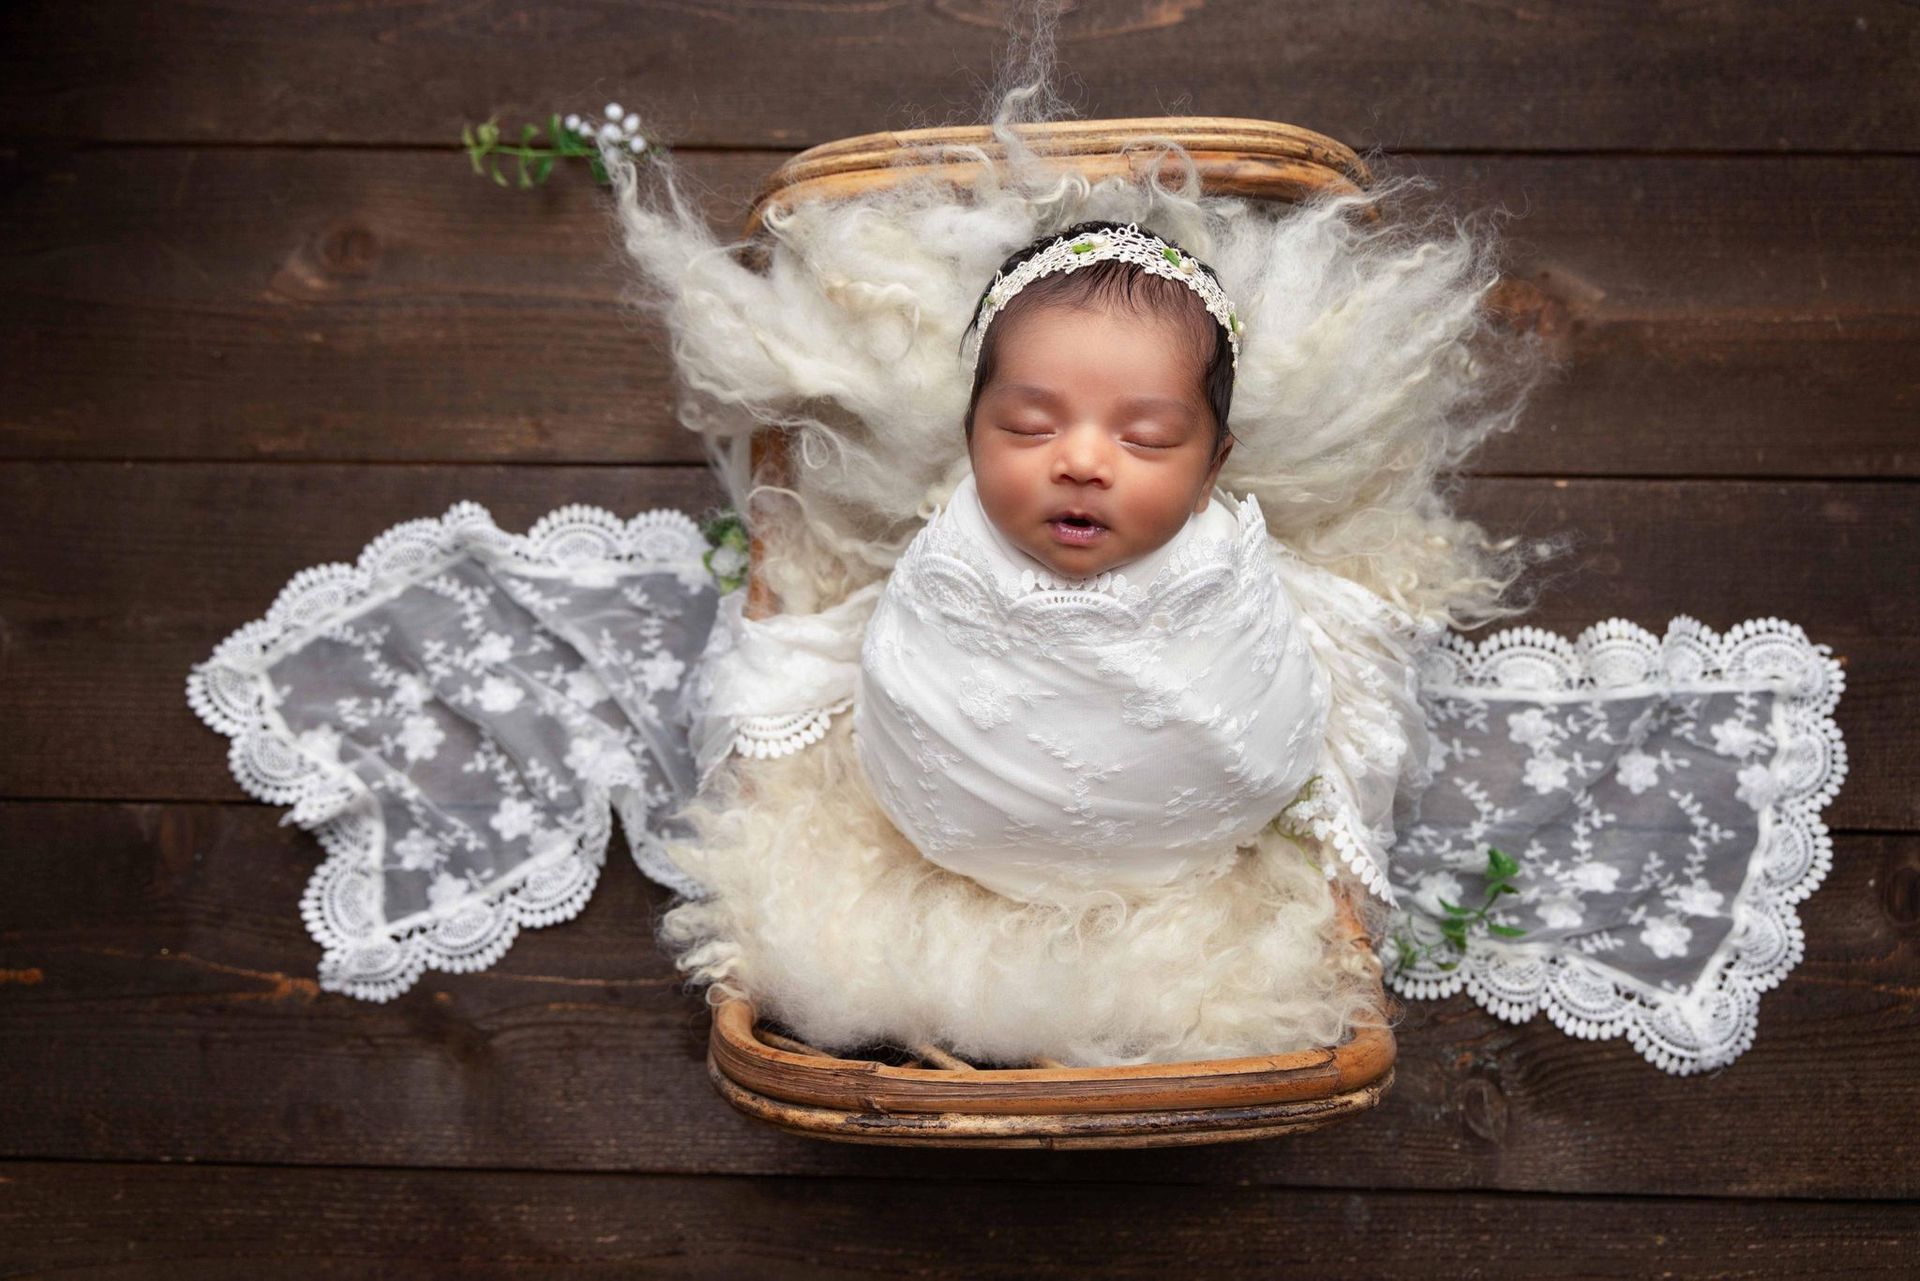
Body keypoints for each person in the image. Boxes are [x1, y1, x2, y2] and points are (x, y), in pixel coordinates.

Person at [186, 130, 1849, 1075]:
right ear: (969, 430)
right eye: (1029, 422)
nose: (1079, 465)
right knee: (817, 662)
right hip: (938, 802)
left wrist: (1331, 835)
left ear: (1210, 461)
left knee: (1321, 676)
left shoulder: (1235, 552)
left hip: (1197, 821)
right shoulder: (939, 545)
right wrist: (769, 720)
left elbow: (1333, 656)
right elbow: (828, 637)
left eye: (1143, 435)